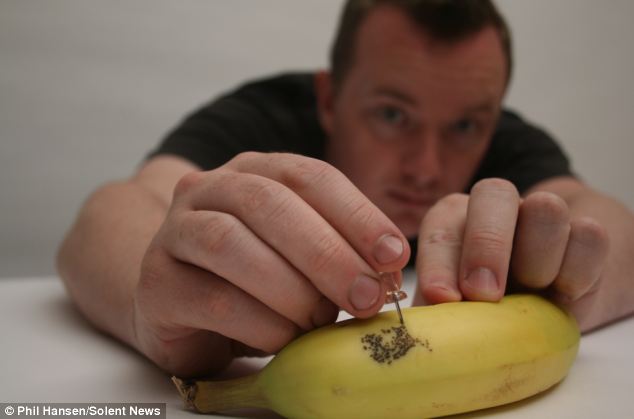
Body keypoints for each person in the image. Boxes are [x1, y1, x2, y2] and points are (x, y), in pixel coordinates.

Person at [57, 0, 634, 378]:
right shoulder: (265, 119)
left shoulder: (499, 137)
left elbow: (605, 221)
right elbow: (118, 208)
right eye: (391, 115)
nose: (427, 167)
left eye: (464, 127)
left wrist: (571, 279)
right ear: (329, 100)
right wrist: (149, 301)